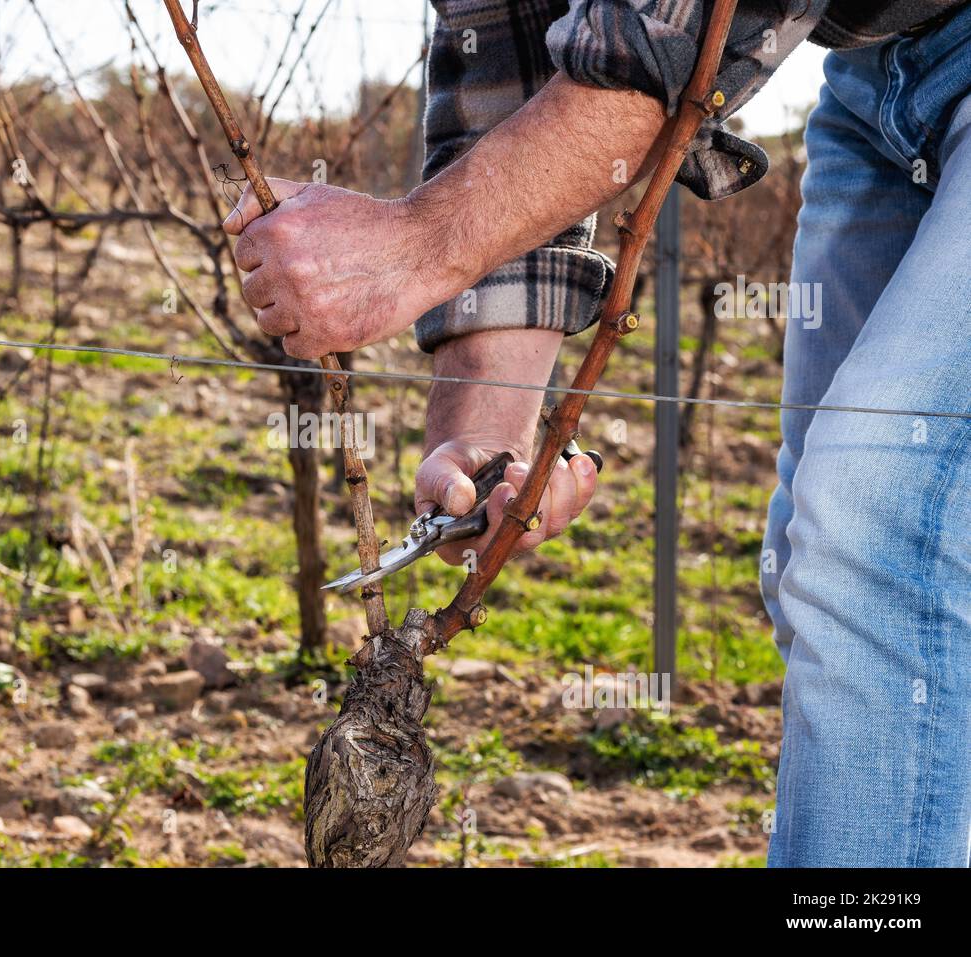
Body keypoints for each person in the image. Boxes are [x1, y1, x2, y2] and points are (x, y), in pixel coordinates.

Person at [222, 1, 971, 867]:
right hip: (876, 80)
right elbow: (512, 41)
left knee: (873, 541)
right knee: (827, 579)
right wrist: (487, 430)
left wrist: (420, 241)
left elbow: (674, 42)